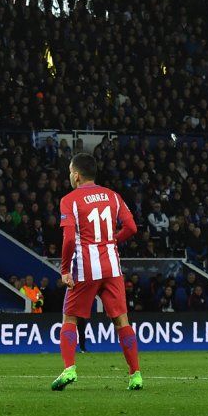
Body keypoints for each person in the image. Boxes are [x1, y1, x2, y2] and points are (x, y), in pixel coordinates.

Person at [52, 152, 142, 391]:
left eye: (71, 172)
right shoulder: (113, 196)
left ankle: (69, 369)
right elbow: (132, 227)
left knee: (70, 318)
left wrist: (64, 269)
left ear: (77, 175)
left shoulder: (69, 200)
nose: (70, 176)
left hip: (86, 268)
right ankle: (135, 375)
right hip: (112, 267)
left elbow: (69, 238)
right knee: (122, 321)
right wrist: (112, 241)